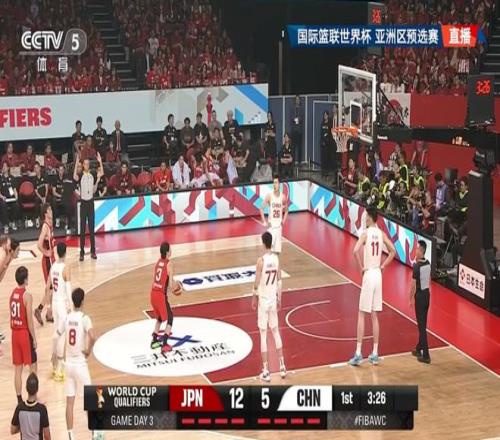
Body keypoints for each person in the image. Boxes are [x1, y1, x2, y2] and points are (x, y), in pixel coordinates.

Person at [348, 207, 396, 366]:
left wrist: (361, 267)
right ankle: (375, 352)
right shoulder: (381, 233)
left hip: (369, 273)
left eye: (366, 215)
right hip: (378, 274)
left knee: (362, 314)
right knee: (374, 315)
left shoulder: (366, 233)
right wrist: (383, 265)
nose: (365, 218)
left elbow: (355, 251)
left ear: (370, 217)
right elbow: (393, 251)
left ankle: (358, 352)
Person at [56, 288, 95, 440]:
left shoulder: (67, 317)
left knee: (69, 403)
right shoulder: (84, 318)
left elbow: (57, 335)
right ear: (83, 301)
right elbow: (93, 336)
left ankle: (71, 436)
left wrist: (56, 355)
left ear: (73, 301)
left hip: (69, 365)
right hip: (80, 364)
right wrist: (88, 351)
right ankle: (95, 433)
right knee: (90, 400)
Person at [252, 231, 286, 381]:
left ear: (263, 243)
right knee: (276, 332)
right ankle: (282, 366)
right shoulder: (276, 259)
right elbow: (279, 281)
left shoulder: (261, 261)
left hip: (264, 300)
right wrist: (279, 298)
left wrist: (254, 297)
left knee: (263, 335)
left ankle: (266, 370)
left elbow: (256, 282)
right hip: (273, 299)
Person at [10, 266, 37, 403]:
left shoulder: (12, 294)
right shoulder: (27, 296)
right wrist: (34, 338)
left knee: (18, 369)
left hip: (14, 334)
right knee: (33, 366)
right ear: (25, 279)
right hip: (24, 334)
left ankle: (19, 400)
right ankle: (33, 398)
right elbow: (29, 320)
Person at [45, 242, 71, 381]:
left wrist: (48, 305)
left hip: (54, 303)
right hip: (61, 304)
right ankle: (59, 367)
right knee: (61, 335)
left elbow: (47, 287)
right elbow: (68, 290)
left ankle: (55, 364)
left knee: (57, 332)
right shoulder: (65, 268)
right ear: (65, 253)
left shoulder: (53, 266)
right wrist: (71, 307)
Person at [150, 242, 180, 354]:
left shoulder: (158, 262)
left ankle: (154, 340)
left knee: (159, 318)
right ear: (167, 252)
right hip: (160, 296)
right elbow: (171, 286)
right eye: (170, 249)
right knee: (170, 318)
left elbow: (161, 278)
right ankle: (165, 344)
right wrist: (178, 287)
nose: (171, 251)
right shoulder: (169, 264)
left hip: (153, 293)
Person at [73, 153, 103, 261]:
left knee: (91, 229)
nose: (86, 165)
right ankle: (81, 252)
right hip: (83, 203)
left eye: (88, 164)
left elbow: (102, 173)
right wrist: (77, 161)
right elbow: (74, 176)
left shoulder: (92, 174)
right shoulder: (80, 175)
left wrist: (100, 161)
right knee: (82, 229)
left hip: (90, 203)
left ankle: (93, 251)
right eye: (85, 164)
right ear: (83, 165)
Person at [409, 240, 431, 364]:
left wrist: (410, 298)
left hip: (420, 297)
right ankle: (418, 348)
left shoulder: (417, 267)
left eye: (417, 249)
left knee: (421, 327)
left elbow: (413, 285)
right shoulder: (428, 263)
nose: (416, 250)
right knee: (423, 323)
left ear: (421, 251)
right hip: (427, 295)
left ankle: (426, 355)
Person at [10, 373, 51, 440]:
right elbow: (47, 436)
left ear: (26, 388)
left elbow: (12, 430)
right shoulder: (42, 409)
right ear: (37, 389)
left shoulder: (19, 408)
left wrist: (23, 427)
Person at [34, 204, 55, 325]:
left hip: (51, 259)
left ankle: (44, 311)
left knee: (52, 288)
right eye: (49, 209)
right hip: (47, 261)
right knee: (50, 288)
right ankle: (45, 311)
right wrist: (46, 252)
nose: (52, 211)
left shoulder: (50, 224)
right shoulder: (45, 226)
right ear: (45, 213)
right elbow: (38, 244)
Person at [259, 175, 288, 254]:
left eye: (276, 183)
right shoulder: (269, 195)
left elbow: (286, 211)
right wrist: (264, 222)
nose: (274, 185)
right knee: (269, 250)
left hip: (278, 227)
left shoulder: (283, 197)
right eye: (273, 183)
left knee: (277, 252)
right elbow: (261, 208)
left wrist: (283, 221)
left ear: (279, 184)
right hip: (271, 226)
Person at [0, 237, 19, 342]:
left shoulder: (9, 257)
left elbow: (1, 277)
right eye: (18, 250)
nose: (18, 253)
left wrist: (6, 266)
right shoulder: (3, 255)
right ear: (12, 250)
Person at [0, 162, 20, 233]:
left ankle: (11, 221)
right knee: (3, 205)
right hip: (3, 198)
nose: (4, 168)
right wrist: (2, 197)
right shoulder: (0, 178)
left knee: (16, 205)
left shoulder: (12, 178)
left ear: (8, 168)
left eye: (5, 166)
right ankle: (6, 225)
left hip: (11, 198)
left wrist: (16, 197)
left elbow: (14, 189)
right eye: (3, 166)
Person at [320, 110, 333, 178]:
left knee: (327, 159)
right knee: (323, 159)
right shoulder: (322, 123)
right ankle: (323, 172)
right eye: (324, 115)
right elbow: (321, 133)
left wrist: (327, 139)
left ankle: (327, 173)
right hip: (323, 144)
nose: (325, 116)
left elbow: (331, 133)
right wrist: (322, 141)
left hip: (328, 144)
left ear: (328, 115)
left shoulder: (330, 124)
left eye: (326, 115)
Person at [291, 95, 303, 164]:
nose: (297, 101)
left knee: (299, 147)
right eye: (296, 99)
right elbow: (291, 117)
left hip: (299, 131)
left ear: (300, 101)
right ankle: (293, 162)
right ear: (295, 100)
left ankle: (299, 162)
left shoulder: (301, 109)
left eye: (298, 99)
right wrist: (295, 119)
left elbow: (301, 118)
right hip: (293, 131)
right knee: (293, 147)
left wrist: (297, 119)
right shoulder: (293, 108)